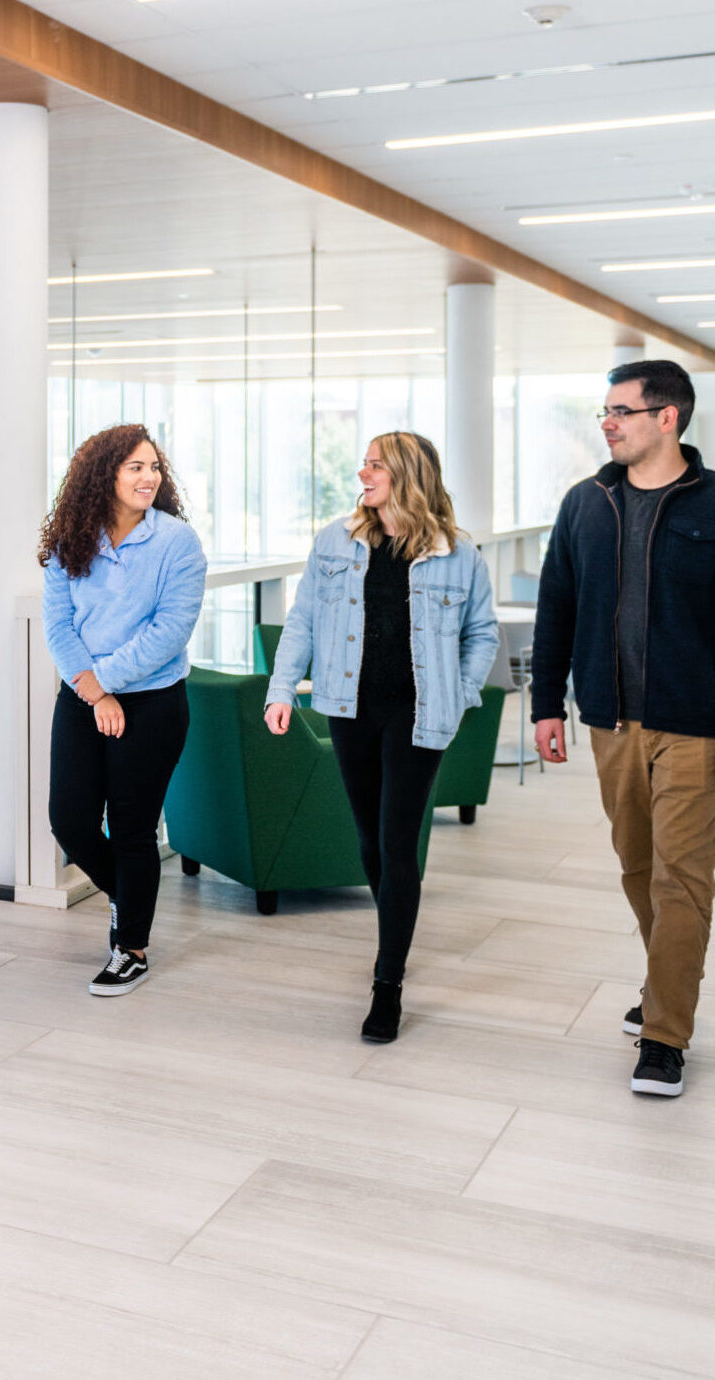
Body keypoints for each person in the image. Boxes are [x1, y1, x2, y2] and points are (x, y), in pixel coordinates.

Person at [530, 360, 715, 1097]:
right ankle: (664, 981)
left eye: (621, 411)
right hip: (612, 721)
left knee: (682, 879)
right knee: (638, 868)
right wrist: (550, 702)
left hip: (699, 726)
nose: (606, 423)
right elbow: (558, 610)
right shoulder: (585, 504)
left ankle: (667, 1034)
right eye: (604, 412)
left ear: (667, 417)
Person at [264, 432, 499, 1043]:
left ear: (405, 474)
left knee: (397, 843)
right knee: (369, 841)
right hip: (349, 707)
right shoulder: (335, 542)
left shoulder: (458, 553)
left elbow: (482, 635)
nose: (361, 472)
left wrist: (461, 690)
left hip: (420, 716)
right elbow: (305, 620)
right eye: (365, 462)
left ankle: (387, 983)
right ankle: (396, 923)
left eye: (374, 464)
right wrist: (282, 688)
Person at [40, 424, 207, 997]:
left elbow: (171, 630)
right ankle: (131, 898)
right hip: (84, 698)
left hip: (154, 702)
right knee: (71, 820)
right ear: (103, 475)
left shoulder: (176, 542)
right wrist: (95, 692)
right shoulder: (71, 538)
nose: (148, 477)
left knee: (134, 830)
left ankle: (129, 947)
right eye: (135, 466)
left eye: (154, 467)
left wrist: (106, 682)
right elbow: (58, 626)